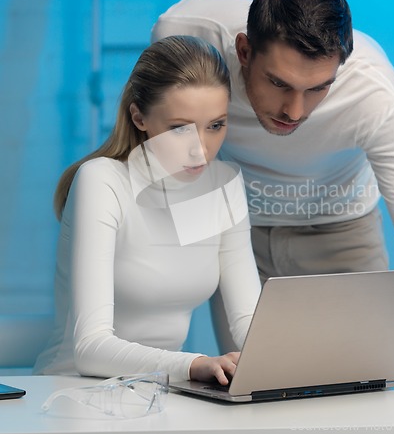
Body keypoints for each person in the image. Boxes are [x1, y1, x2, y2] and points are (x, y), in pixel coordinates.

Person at [151, 0, 394, 386]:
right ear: (243, 50)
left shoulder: (374, 95)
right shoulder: (187, 36)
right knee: (253, 389)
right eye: (279, 83)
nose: (294, 110)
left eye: (317, 89)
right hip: (237, 232)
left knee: (366, 393)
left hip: (340, 231)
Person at [33, 35, 262, 385]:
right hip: (69, 394)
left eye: (215, 125)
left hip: (158, 397)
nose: (200, 149)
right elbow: (90, 347)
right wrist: (193, 364)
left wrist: (296, 361)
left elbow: (249, 321)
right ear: (139, 117)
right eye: (179, 129)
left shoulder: (224, 184)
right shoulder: (102, 181)